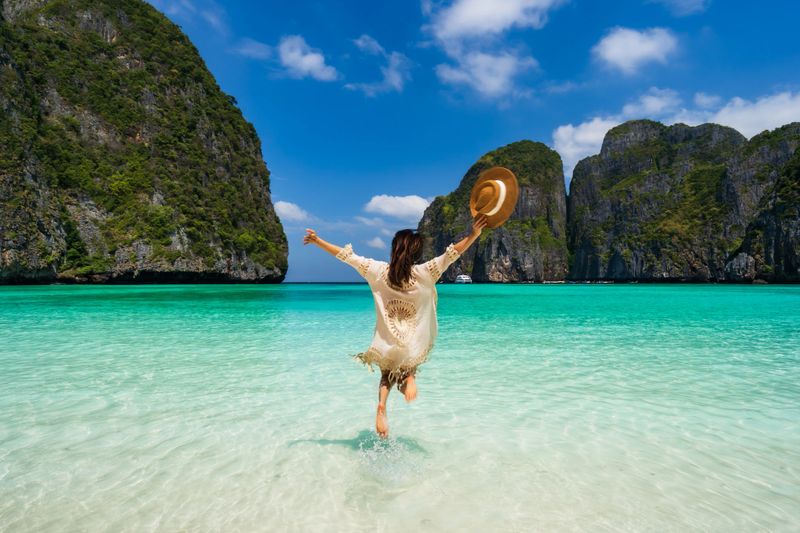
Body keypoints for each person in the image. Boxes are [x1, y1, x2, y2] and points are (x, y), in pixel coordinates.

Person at [303, 214, 488, 438]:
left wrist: (317, 241)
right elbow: (452, 253)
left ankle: (382, 406)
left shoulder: (377, 271)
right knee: (405, 374)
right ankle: (408, 379)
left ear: (394, 249)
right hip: (412, 344)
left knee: (385, 375)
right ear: (417, 253)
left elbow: (346, 256)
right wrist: (473, 234)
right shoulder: (425, 272)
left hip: (387, 341)